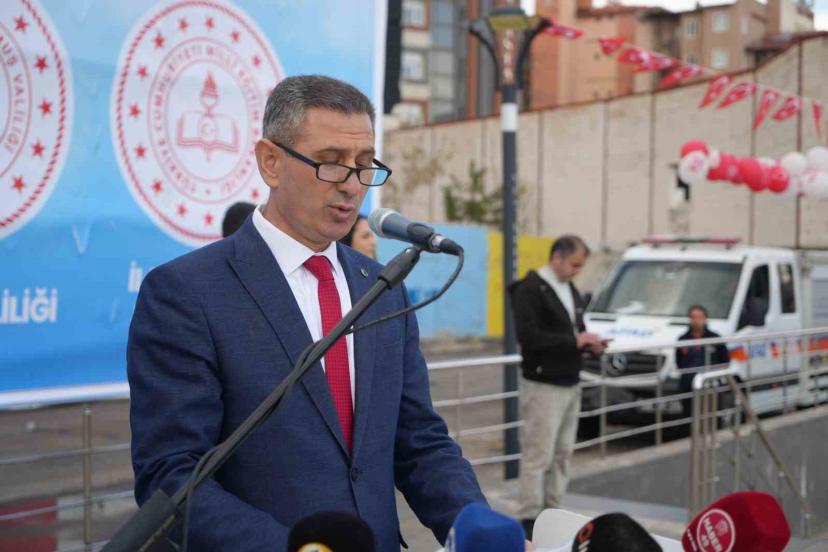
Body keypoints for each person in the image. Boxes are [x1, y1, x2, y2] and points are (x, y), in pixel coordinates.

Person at [127, 75, 486, 551]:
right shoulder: (186, 293)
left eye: (364, 165)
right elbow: (171, 475)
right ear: (271, 162)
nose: (352, 186)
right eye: (331, 163)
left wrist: (481, 529)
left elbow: (419, 442)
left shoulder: (382, 287)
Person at [510, 235, 607, 540]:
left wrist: (590, 343)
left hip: (569, 380)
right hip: (543, 385)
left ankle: (553, 510)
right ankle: (529, 517)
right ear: (557, 258)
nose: (578, 271)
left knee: (563, 453)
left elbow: (575, 329)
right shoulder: (529, 289)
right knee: (538, 455)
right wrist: (575, 341)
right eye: (575, 264)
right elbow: (529, 337)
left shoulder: (570, 289)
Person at [676, 305, 730, 413]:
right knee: (689, 413)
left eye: (699, 317)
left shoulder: (714, 338)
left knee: (711, 413)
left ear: (705, 319)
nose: (696, 321)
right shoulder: (683, 339)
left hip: (710, 384)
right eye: (693, 317)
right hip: (689, 385)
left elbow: (725, 359)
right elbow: (679, 362)